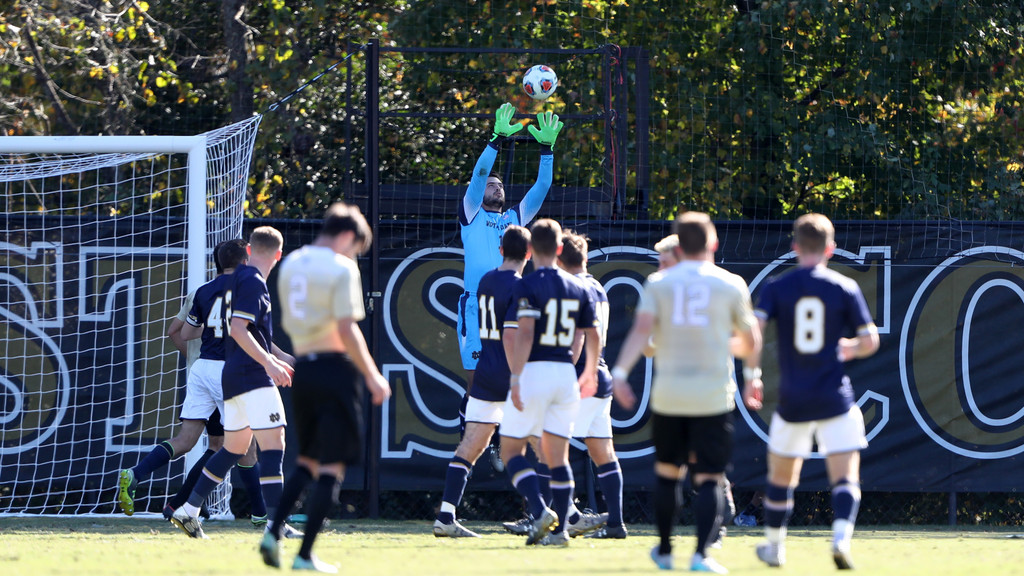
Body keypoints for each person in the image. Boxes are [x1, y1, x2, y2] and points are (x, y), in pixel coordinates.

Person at [610, 211, 763, 574]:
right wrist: (752, 374)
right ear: (713, 243)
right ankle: (701, 555)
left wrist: (619, 373)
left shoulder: (659, 283)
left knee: (667, 474)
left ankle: (664, 551)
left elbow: (640, 334)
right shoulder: (730, 284)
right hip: (711, 397)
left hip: (670, 396)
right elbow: (751, 338)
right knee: (709, 478)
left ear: (678, 243)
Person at [260, 202, 392, 573]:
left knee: (306, 461)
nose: (354, 256)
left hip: (304, 371)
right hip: (334, 370)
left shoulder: (292, 263)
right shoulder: (340, 266)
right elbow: (347, 328)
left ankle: (272, 532)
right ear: (348, 236)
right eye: (355, 249)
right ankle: (304, 556)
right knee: (331, 468)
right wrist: (372, 375)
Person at [750, 213, 879, 570]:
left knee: (781, 476)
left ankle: (775, 547)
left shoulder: (777, 287)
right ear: (831, 249)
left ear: (795, 247)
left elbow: (753, 332)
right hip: (835, 396)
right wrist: (847, 348)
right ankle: (840, 539)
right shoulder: (844, 287)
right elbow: (870, 340)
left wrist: (753, 375)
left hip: (793, 398)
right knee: (845, 475)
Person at [117, 240, 266, 524]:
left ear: (219, 263)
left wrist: (210, 327)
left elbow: (185, 333)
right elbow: (255, 335)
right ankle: (260, 514)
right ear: (245, 260)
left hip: (202, 369)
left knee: (186, 441)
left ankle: (137, 474)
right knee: (245, 447)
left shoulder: (203, 291)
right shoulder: (250, 289)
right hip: (229, 370)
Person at [171, 226, 296, 540]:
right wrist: (270, 362)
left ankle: (188, 509)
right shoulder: (252, 282)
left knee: (234, 448)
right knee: (273, 446)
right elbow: (239, 329)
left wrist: (275, 356)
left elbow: (243, 331)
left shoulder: (234, 282)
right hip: (251, 376)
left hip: (232, 376)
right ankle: (275, 523)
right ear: (279, 255)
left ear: (250, 251)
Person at [457, 102, 562, 471]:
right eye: (490, 184)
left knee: (516, 372)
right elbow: (480, 172)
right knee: (478, 377)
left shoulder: (515, 220)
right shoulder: (471, 212)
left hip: (512, 303)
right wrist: (497, 139)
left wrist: (546, 150)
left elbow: (542, 186)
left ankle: (508, 441)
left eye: (500, 185)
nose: (495, 187)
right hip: (476, 306)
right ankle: (473, 433)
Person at [499, 218, 601, 547]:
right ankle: (561, 532)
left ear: (530, 249)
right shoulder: (581, 286)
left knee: (511, 448)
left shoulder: (526, 285)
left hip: (536, 371)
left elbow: (525, 332)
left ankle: (541, 510)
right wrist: (583, 372)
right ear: (560, 250)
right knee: (558, 457)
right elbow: (590, 336)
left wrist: (516, 376)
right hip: (565, 374)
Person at [432, 225, 532, 538]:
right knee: (537, 446)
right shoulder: (519, 286)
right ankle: (542, 511)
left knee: (470, 445)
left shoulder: (486, 280)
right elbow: (514, 334)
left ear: (501, 250)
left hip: (485, 373)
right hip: (510, 374)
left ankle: (446, 515)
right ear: (528, 254)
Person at [555, 230, 626, 540]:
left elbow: (579, 336)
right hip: (601, 376)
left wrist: (564, 371)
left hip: (582, 377)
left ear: (559, 257)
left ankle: (561, 521)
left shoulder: (573, 287)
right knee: (603, 452)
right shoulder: (598, 286)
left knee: (550, 448)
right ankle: (616, 524)